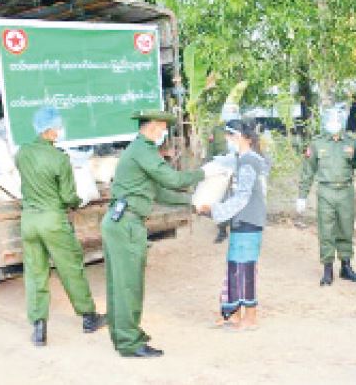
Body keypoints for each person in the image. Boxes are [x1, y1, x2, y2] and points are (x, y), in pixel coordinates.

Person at [101, 109, 208, 358]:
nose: (164, 133)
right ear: (151, 127)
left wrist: (192, 202)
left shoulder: (139, 151)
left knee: (120, 284)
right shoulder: (143, 150)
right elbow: (173, 180)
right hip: (127, 224)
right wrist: (205, 173)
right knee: (129, 285)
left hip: (119, 221)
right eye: (162, 128)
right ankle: (129, 343)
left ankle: (122, 335)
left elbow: (160, 192)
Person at [15, 106, 106, 347]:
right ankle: (88, 318)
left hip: (29, 221)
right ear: (50, 130)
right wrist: (78, 201)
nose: (60, 130)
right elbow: (67, 197)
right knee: (70, 269)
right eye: (58, 127)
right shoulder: (59, 158)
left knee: (35, 274)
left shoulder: (22, 152)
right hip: (52, 221)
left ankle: (39, 328)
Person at [199, 119, 267, 330]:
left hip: (249, 220)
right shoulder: (241, 160)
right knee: (234, 267)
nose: (227, 141)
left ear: (238, 137)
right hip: (241, 220)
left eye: (229, 137)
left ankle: (250, 318)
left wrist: (215, 211)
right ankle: (233, 314)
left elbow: (242, 196)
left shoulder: (250, 161)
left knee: (245, 268)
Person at [297, 107, 356, 286]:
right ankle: (327, 270)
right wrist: (302, 196)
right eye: (330, 119)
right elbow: (308, 171)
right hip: (325, 191)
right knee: (326, 230)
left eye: (337, 119)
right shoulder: (317, 143)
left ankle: (346, 267)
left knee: (346, 228)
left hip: (346, 191)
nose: (334, 123)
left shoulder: (352, 143)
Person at [207, 104, 242, 244]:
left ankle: (236, 226)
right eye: (228, 112)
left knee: (236, 197)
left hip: (238, 168)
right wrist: (209, 168)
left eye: (233, 112)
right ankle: (222, 229)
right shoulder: (216, 130)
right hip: (221, 168)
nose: (230, 115)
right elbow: (211, 151)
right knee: (220, 198)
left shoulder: (242, 128)